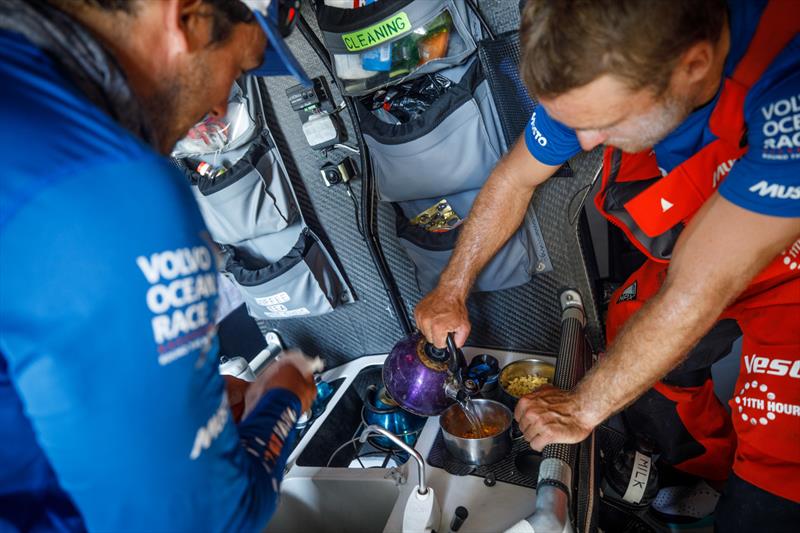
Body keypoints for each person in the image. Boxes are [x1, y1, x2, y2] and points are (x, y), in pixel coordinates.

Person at [415, 0, 799, 529]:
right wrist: (451, 287)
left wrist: (581, 409)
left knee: (775, 482)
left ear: (694, 64)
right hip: (700, 257)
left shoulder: (787, 89)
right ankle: (714, 473)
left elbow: (695, 292)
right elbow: (514, 179)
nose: (587, 144)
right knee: (628, 350)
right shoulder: (600, 67)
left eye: (604, 124)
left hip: (789, 279)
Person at [0, 0, 317, 531]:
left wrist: (175, 411)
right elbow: (213, 519)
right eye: (236, 71)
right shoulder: (110, 187)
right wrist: (283, 398)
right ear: (188, 16)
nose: (220, 108)